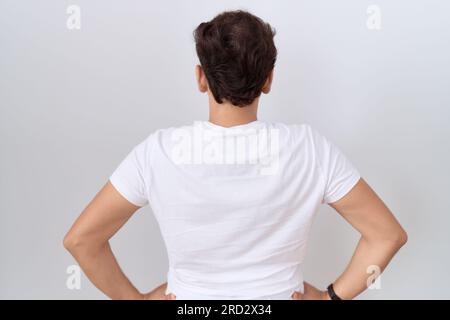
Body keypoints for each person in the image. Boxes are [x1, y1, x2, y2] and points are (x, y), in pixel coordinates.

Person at [63, 10, 407, 300]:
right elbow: (386, 235)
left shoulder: (158, 152)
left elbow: (82, 240)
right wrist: (331, 297)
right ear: (268, 79)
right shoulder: (310, 148)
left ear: (201, 78)